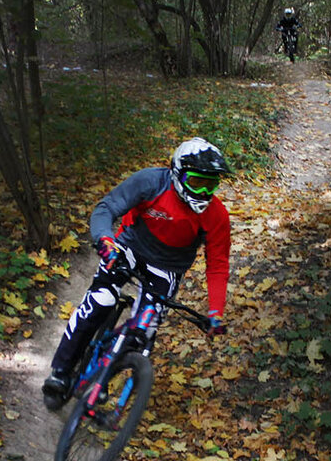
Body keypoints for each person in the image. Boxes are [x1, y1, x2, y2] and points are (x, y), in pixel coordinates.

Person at [42, 137, 232, 411]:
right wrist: (105, 240)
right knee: (100, 301)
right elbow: (106, 208)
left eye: (211, 184)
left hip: (168, 268)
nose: (203, 192)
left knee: (143, 333)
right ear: (178, 174)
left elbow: (218, 264)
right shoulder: (150, 182)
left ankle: (103, 378)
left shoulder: (217, 216)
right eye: (197, 182)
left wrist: (215, 311)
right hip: (129, 247)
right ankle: (60, 371)